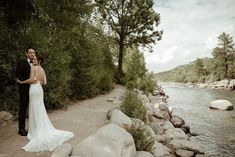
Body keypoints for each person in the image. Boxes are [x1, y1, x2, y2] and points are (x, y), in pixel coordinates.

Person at [17, 55, 74, 152]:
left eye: (35, 59)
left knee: (34, 108)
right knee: (40, 108)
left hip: (33, 89)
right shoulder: (42, 69)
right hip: (39, 89)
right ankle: (40, 127)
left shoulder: (33, 68)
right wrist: (38, 81)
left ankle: (35, 130)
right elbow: (45, 82)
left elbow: (31, 80)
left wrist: (22, 82)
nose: (33, 60)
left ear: (38, 61)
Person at [16, 48, 36, 136]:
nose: (32, 54)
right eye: (30, 53)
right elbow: (18, 76)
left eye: (33, 53)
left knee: (33, 109)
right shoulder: (21, 62)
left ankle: (33, 128)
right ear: (26, 54)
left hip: (33, 89)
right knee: (23, 109)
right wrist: (25, 82)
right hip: (24, 89)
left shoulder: (35, 63)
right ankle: (21, 129)